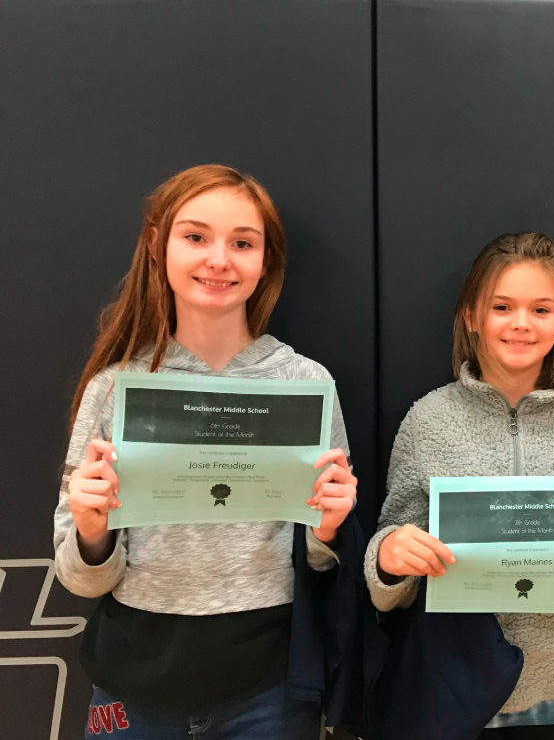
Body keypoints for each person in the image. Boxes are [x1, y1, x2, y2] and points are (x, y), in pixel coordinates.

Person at [54, 165, 358, 740]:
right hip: (131, 688)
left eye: (243, 243)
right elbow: (79, 579)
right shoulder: (114, 387)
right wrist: (93, 532)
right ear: (156, 244)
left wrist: (329, 532)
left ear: (265, 260)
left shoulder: (304, 382)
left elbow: (322, 567)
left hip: (270, 690)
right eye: (195, 237)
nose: (219, 259)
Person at [365, 232, 554, 739]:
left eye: (541, 309)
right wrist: (390, 557)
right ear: (471, 317)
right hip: (455, 688)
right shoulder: (428, 420)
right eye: (501, 306)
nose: (521, 324)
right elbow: (389, 551)